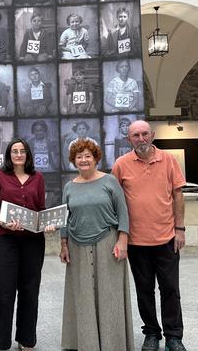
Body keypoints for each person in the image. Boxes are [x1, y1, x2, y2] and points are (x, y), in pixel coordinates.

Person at [111, 120, 188, 351]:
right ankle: (151, 333)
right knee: (144, 290)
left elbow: (178, 195)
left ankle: (174, 337)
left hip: (166, 239)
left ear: (152, 135)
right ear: (129, 139)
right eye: (136, 135)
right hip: (136, 242)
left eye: (145, 134)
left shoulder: (168, 160)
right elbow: (114, 202)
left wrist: (180, 229)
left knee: (170, 290)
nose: (141, 138)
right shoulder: (121, 165)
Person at [59, 139, 133, 351]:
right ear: (74, 160)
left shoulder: (109, 181)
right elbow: (65, 217)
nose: (83, 160)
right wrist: (63, 244)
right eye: (79, 156)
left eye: (87, 156)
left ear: (96, 158)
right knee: (81, 293)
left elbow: (123, 212)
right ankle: (84, 342)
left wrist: (123, 239)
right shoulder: (69, 187)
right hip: (77, 245)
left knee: (109, 292)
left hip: (108, 242)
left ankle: (113, 343)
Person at [0, 139, 55, 351]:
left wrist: (48, 224)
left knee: (30, 290)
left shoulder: (38, 177)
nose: (18, 154)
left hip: (33, 242)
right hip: (6, 239)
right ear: (9, 155)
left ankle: (26, 340)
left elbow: (41, 208)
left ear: (28, 154)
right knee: (3, 290)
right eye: (14, 151)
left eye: (22, 151)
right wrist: (1, 221)